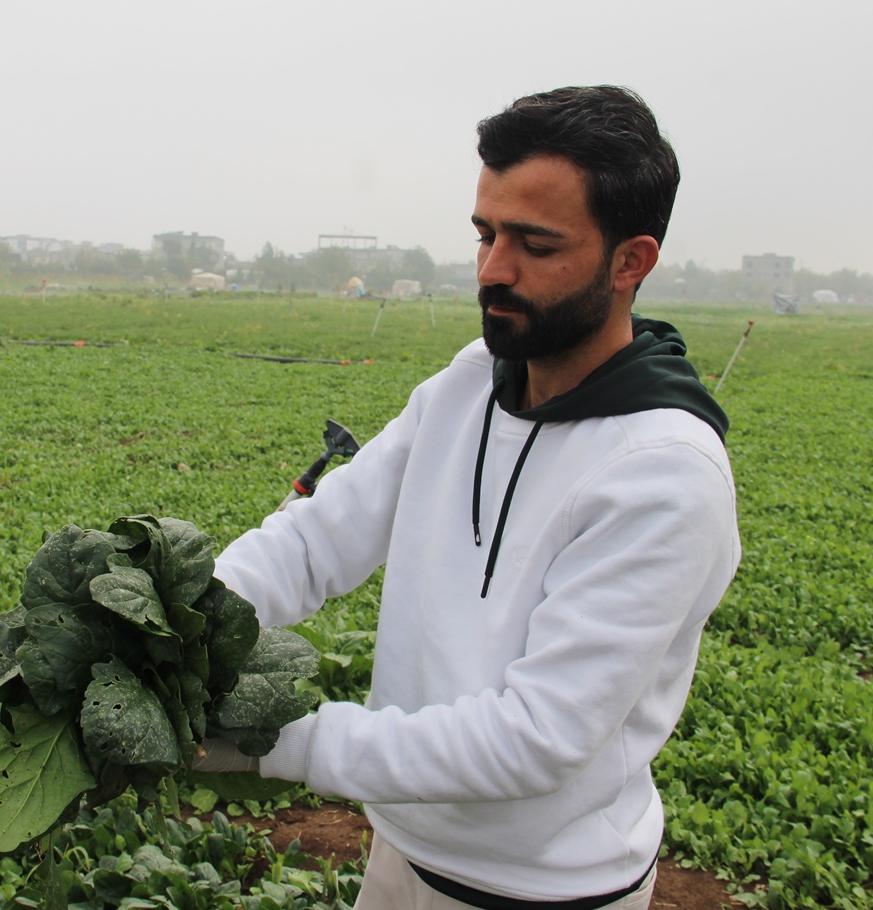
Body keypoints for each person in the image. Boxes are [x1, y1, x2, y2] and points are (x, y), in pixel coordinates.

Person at [202, 85, 741, 910]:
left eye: (534, 243)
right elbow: (318, 539)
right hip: (405, 848)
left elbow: (533, 741)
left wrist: (268, 742)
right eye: (486, 234)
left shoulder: (663, 473)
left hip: (541, 889)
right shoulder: (471, 384)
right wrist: (184, 622)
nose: (493, 270)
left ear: (630, 261)